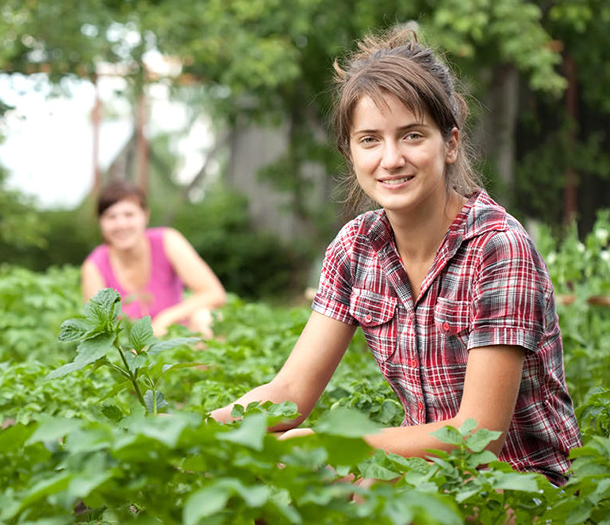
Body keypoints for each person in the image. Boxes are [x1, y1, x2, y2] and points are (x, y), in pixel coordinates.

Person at [210, 27, 581, 486]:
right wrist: (194, 435)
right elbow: (289, 392)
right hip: (419, 475)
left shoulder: (497, 247)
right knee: (269, 488)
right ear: (350, 153)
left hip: (520, 485)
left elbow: (478, 435)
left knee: (345, 498)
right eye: (369, 140)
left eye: (411, 135)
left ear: (449, 143)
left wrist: (331, 446)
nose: (390, 159)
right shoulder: (356, 250)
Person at [82, 180, 226, 339]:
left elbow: (214, 293)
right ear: (101, 223)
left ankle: (207, 364)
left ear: (145, 216)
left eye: (129, 215)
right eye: (111, 217)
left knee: (205, 317)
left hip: (177, 339)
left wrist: (165, 319)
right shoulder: (94, 266)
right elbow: (99, 330)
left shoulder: (167, 241)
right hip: (132, 352)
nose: (121, 224)